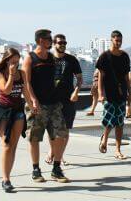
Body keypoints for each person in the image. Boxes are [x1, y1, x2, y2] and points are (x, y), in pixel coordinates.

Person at [21, 29, 69, 183]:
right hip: (38, 105)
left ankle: (56, 169)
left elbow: (56, 78)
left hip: (54, 103)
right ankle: (36, 170)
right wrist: (33, 100)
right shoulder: (30, 58)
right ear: (41, 40)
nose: (51, 41)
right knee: (34, 137)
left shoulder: (50, 58)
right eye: (49, 39)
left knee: (61, 134)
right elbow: (26, 82)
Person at [0, 47, 26, 193]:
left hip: (18, 111)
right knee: (6, 143)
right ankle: (5, 179)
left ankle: (8, 177)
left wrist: (33, 106)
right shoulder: (0, 73)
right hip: (4, 111)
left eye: (17, 62)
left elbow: (26, 91)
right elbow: (5, 90)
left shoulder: (22, 73)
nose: (15, 65)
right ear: (6, 61)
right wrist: (11, 75)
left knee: (13, 145)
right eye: (13, 62)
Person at [96, 30, 131, 159]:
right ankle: (104, 139)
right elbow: (101, 76)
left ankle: (118, 150)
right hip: (108, 93)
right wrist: (100, 94)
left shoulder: (124, 56)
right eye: (116, 41)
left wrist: (129, 93)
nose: (118, 43)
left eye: (120, 41)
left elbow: (126, 77)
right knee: (109, 120)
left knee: (120, 122)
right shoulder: (104, 57)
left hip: (121, 92)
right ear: (111, 40)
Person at [45, 33, 81, 167]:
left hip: (68, 100)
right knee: (51, 129)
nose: (63, 45)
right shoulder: (47, 59)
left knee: (64, 130)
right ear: (54, 44)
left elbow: (80, 79)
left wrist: (76, 92)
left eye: (65, 43)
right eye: (60, 43)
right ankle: (53, 151)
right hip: (51, 99)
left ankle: (59, 156)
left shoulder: (72, 60)